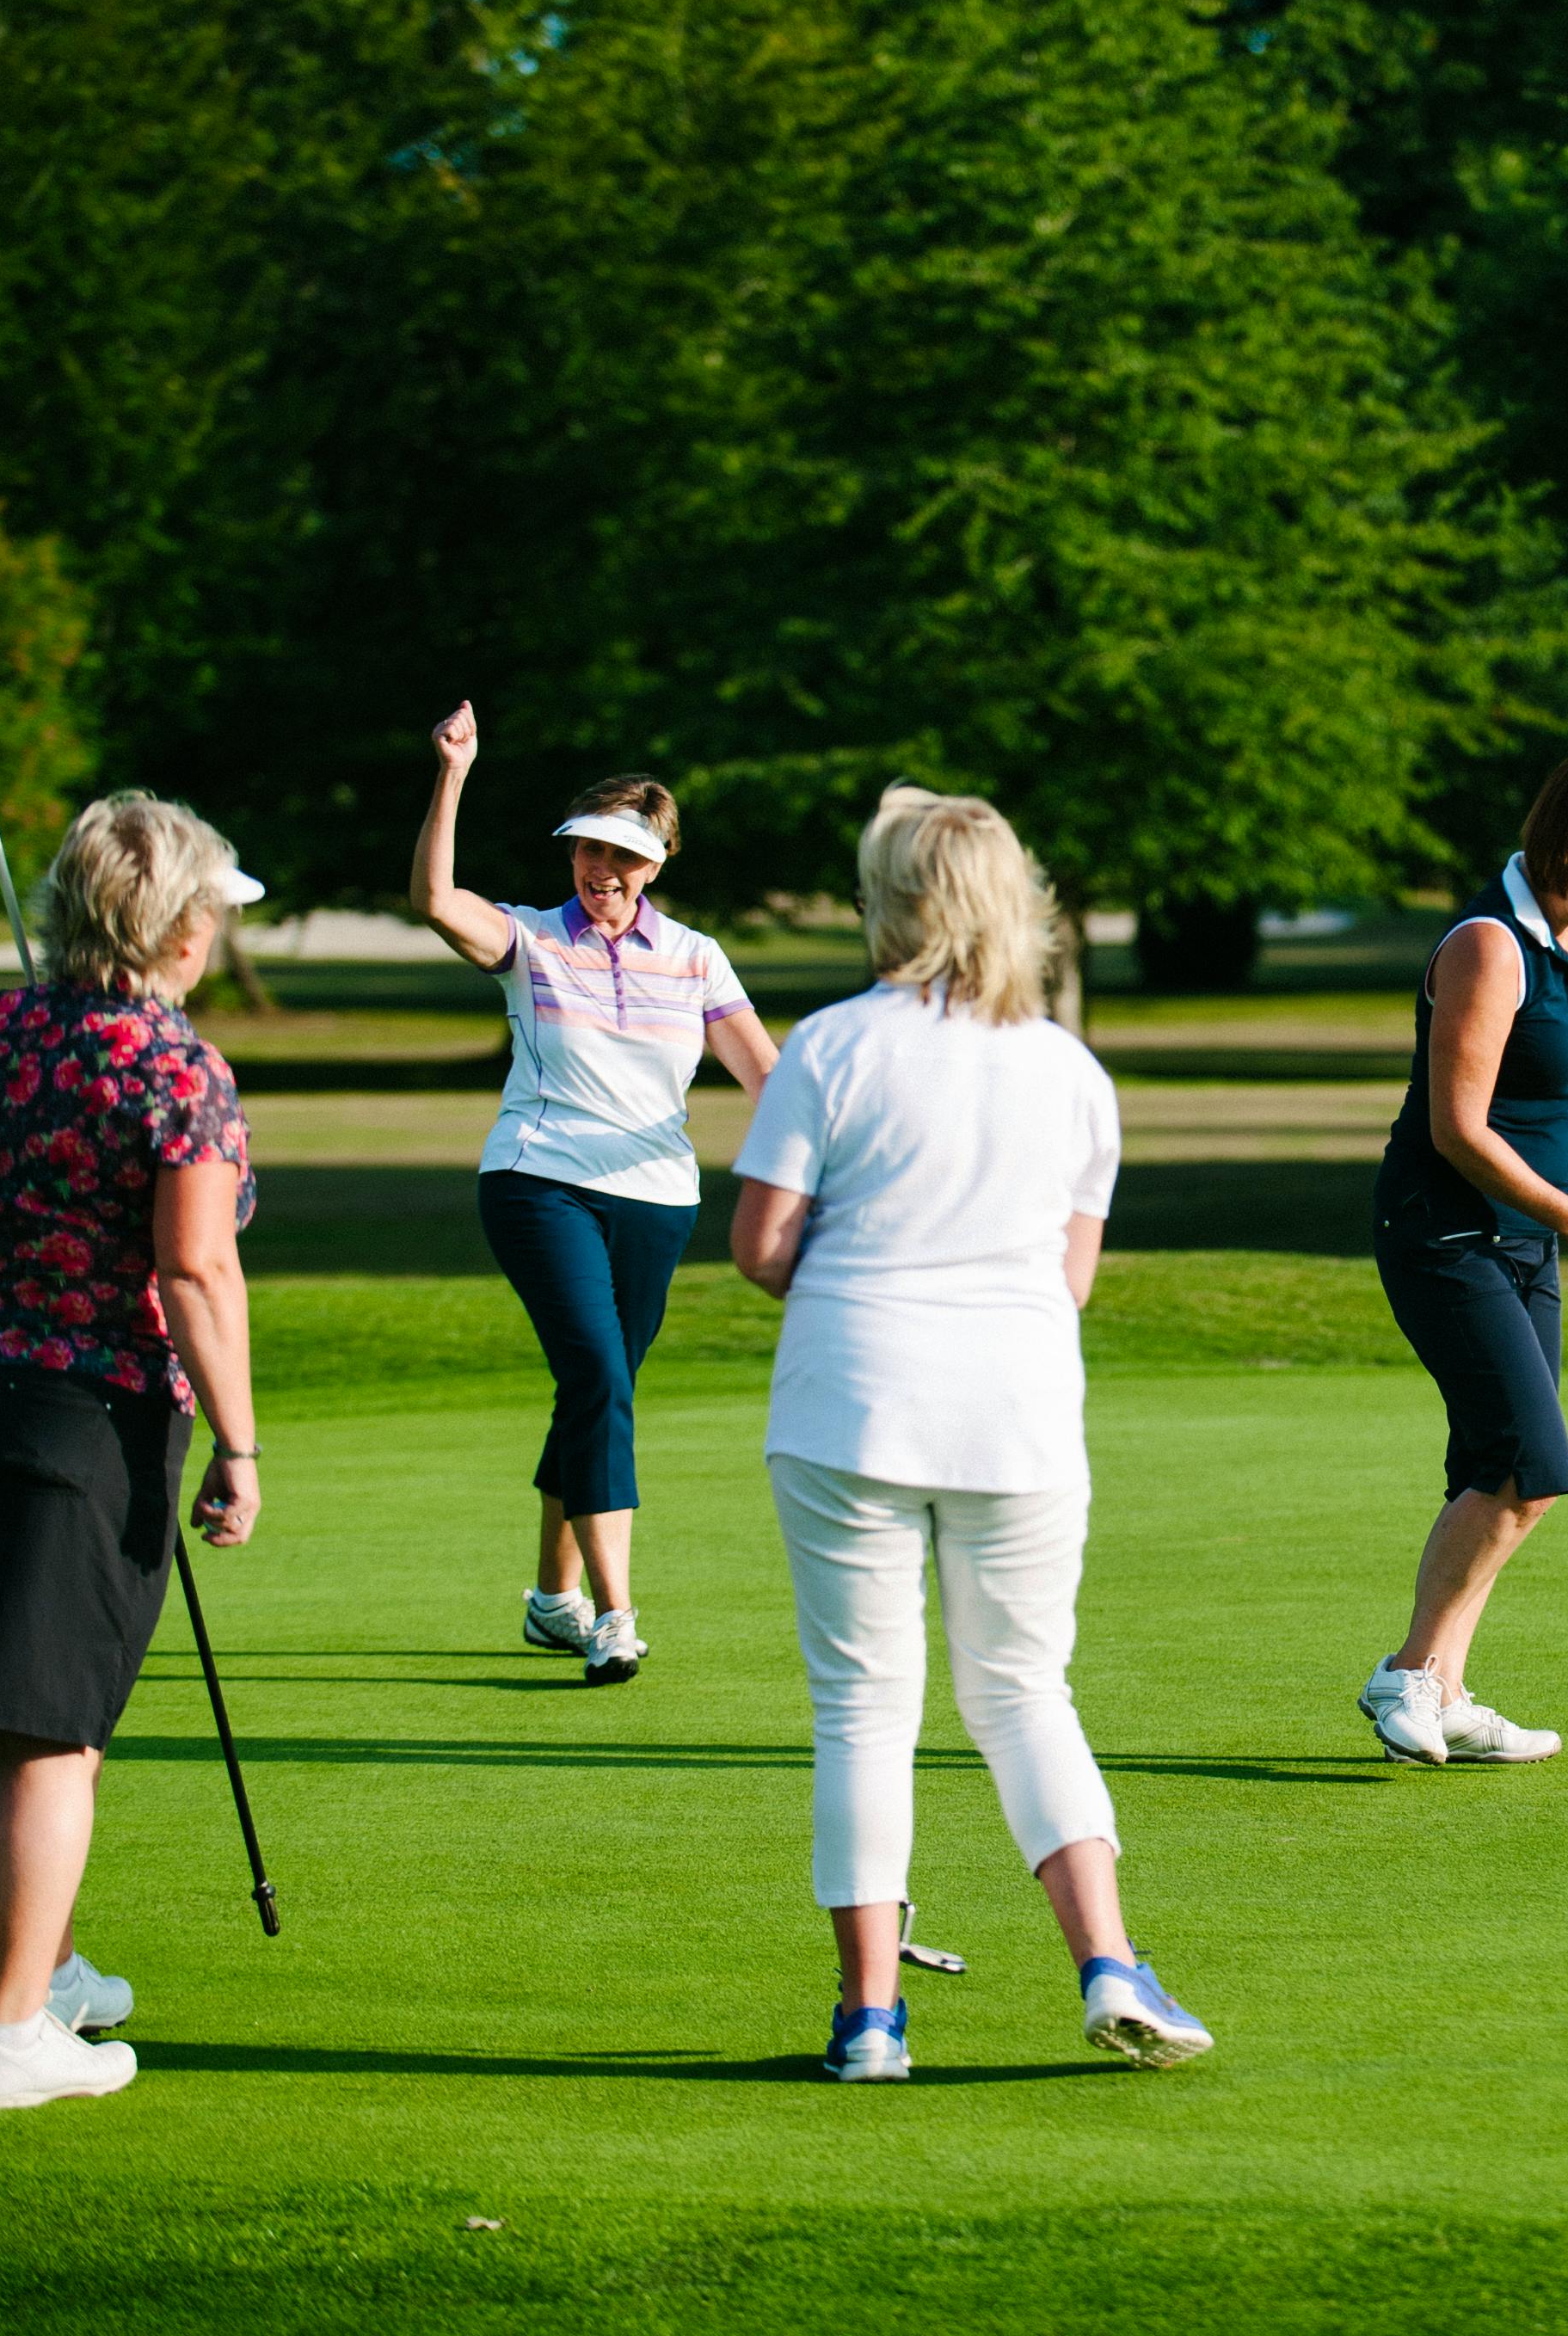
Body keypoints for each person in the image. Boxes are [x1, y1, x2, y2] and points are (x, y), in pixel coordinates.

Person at [730, 785, 1211, 2083]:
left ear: (890, 902)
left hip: (851, 1400)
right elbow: (1071, 1279)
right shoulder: (1069, 1068)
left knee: (863, 1713)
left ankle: (872, 2019)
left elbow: (762, 1252)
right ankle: (1108, 1961)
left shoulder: (829, 1047)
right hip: (1016, 1409)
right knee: (1022, 1691)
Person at [0, 791, 269, 2110]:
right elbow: (196, 1263)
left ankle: (48, 1967)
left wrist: (7, 1254)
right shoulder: (175, 1066)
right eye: (210, 908)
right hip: (81, 1414)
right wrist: (242, 1446)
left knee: (36, 1724)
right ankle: (10, 2036)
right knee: (50, 1737)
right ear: (179, 927)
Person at [410, 701, 777, 1684]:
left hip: (657, 1198)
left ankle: (547, 1600)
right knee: (600, 1381)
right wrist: (454, 773)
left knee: (594, 1388)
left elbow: (769, 1081)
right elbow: (437, 900)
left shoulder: (695, 956)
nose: (601, 873)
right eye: (587, 852)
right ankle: (614, 1616)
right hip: (540, 1181)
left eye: (622, 858)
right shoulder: (530, 940)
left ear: (656, 865)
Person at [1356, 747, 1568, 1765]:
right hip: (1445, 1231)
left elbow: (1554, 1072)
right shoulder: (1488, 946)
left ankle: (1444, 1690)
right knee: (1526, 1465)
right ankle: (1406, 1674)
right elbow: (1458, 1127)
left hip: (1521, 1235)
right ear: (1567, 846)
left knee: (1499, 1468)